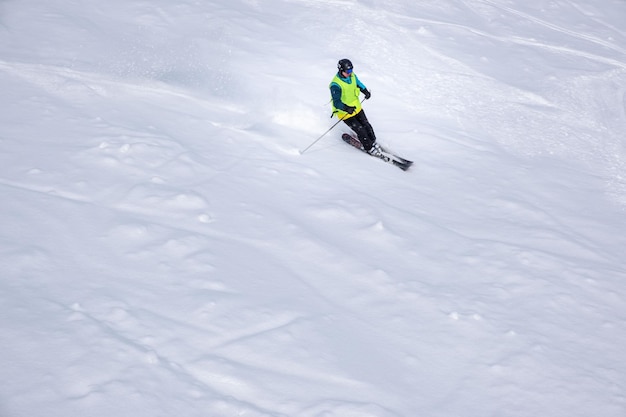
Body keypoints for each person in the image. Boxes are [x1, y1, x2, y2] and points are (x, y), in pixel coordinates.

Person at [329, 58, 382, 156]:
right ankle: (369, 148)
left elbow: (358, 83)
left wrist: (365, 91)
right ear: (341, 70)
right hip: (345, 113)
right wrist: (346, 108)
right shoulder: (335, 85)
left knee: (367, 126)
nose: (350, 73)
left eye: (351, 70)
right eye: (348, 71)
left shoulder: (352, 76)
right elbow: (336, 103)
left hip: (356, 108)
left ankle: (373, 141)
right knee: (360, 130)